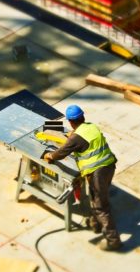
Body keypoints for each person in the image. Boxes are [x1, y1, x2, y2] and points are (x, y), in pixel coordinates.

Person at [44, 105, 122, 251]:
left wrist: (50, 155)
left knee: (100, 206)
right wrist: (72, 136)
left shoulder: (76, 137)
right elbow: (82, 139)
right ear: (83, 117)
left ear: (70, 121)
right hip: (109, 166)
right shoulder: (91, 127)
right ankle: (96, 224)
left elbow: (61, 153)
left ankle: (113, 240)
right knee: (97, 197)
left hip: (97, 172)